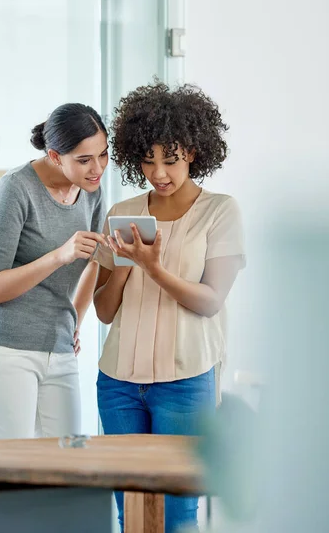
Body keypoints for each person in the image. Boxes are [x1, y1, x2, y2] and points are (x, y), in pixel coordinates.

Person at [93, 81, 246, 533]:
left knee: (177, 514)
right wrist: (123, 265)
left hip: (186, 382)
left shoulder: (220, 212)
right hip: (118, 382)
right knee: (129, 511)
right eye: (147, 159)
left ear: (194, 153)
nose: (158, 172)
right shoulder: (123, 209)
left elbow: (210, 301)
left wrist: (154, 267)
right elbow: (104, 311)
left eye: (170, 160)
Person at [0, 103, 109, 441]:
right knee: (10, 473)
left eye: (103, 154)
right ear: (56, 156)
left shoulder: (92, 193)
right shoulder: (14, 190)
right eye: (84, 160)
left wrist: (75, 318)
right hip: (5, 348)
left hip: (59, 349)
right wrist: (59, 255)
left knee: (66, 468)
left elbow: (94, 260)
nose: (97, 168)